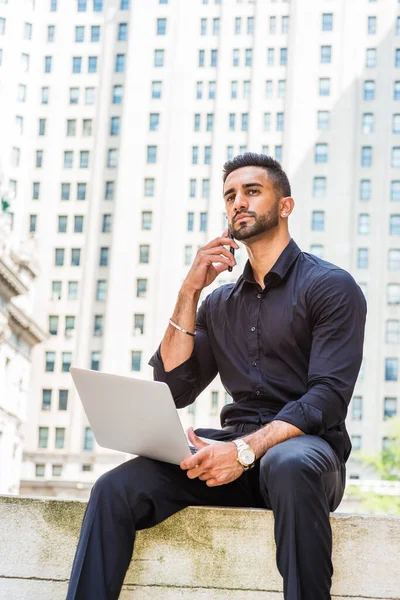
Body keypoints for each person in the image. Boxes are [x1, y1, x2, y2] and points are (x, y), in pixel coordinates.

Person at [66, 153, 367, 600]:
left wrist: (245, 450)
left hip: (307, 454)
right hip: (230, 453)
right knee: (116, 487)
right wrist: (190, 290)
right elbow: (174, 387)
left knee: (289, 465)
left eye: (251, 191)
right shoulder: (218, 303)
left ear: (285, 206)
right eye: (230, 196)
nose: (238, 202)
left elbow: (325, 399)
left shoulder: (330, 286)